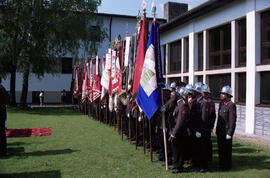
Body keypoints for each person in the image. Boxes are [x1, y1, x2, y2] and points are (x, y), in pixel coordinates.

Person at [169, 87, 189, 174]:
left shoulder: (183, 105)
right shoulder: (179, 103)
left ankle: (179, 167)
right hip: (176, 131)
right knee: (175, 149)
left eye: (178, 94)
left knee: (179, 150)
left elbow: (180, 121)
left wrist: (174, 133)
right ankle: (176, 165)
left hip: (179, 131)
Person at [216, 85, 236, 171]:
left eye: (223, 94)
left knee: (226, 150)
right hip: (220, 131)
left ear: (228, 95)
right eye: (221, 93)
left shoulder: (231, 105)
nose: (221, 95)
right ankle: (221, 164)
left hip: (226, 131)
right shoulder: (222, 104)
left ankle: (227, 166)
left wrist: (230, 132)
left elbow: (232, 120)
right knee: (221, 149)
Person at [202, 84, 216, 162]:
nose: (202, 94)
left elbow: (212, 115)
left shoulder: (209, 102)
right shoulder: (203, 100)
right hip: (204, 125)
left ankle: (208, 158)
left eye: (203, 92)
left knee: (207, 143)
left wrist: (211, 126)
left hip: (207, 125)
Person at [0, 77, 8, 156]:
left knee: (1, 133)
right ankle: (3, 150)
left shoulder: (1, 90)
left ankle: (2, 150)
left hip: (1, 114)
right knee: (2, 133)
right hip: (2, 114)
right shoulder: (3, 89)